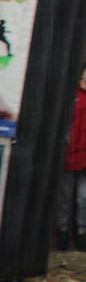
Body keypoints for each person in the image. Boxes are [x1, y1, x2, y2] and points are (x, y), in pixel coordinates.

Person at [58, 63, 86, 251]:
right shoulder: (71, 96)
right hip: (68, 154)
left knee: (83, 198)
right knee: (64, 197)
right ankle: (62, 233)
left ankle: (82, 233)